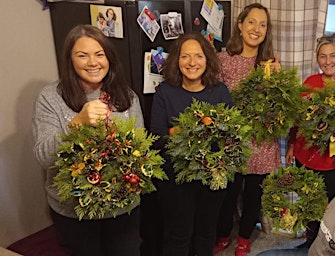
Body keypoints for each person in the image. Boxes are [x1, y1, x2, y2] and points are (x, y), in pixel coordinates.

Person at [32, 24, 144, 256]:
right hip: (75, 212)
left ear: (109, 58)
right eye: (82, 55)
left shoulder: (127, 96)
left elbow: (140, 148)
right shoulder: (51, 97)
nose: (93, 62)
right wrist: (76, 124)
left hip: (122, 208)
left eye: (99, 54)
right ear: (70, 60)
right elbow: (43, 157)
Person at [149, 32, 233, 256]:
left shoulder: (220, 92)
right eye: (185, 56)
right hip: (176, 180)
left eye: (198, 56)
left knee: (206, 234)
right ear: (177, 60)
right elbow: (156, 139)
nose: (192, 62)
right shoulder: (165, 93)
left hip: (212, 178)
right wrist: (182, 131)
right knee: (178, 236)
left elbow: (232, 134)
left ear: (208, 59)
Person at [213, 3, 281, 256]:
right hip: (231, 142)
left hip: (261, 142)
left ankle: (243, 238)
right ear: (240, 25)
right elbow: (213, 101)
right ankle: (222, 235)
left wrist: (277, 80)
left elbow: (279, 107)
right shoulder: (222, 60)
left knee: (254, 197)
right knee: (226, 196)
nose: (257, 29)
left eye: (263, 25)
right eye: (252, 22)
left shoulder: (269, 64)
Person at [285, 32, 335, 248]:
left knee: (333, 205)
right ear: (317, 58)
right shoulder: (310, 82)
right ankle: (310, 240)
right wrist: (292, 143)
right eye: (322, 56)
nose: (328, 61)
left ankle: (328, 244)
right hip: (306, 156)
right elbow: (298, 118)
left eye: (333, 56)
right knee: (309, 200)